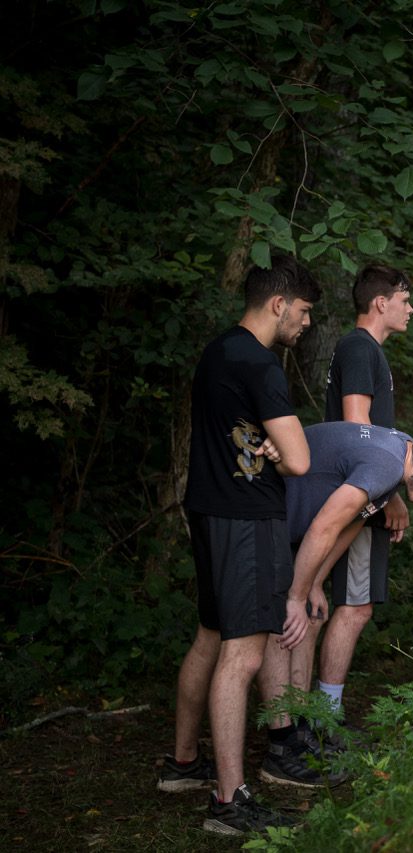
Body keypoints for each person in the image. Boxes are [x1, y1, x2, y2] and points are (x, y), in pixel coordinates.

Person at [161, 255, 319, 836]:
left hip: (207, 509)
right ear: (278, 304)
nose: (304, 325)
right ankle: (229, 800)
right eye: (302, 313)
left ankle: (183, 764)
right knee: (245, 654)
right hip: (247, 518)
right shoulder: (260, 364)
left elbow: (248, 438)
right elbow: (300, 459)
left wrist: (271, 447)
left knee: (211, 636)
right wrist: (283, 450)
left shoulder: (218, 350)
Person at [257, 424, 413, 783]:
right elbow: (324, 526)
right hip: (266, 513)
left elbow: (350, 524)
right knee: (283, 623)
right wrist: (296, 594)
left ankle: (298, 728)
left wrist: (315, 584)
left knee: (306, 618)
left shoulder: (400, 452)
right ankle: (280, 746)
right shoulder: (387, 465)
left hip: (290, 526)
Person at [303, 264, 413, 735]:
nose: (410, 309)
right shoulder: (359, 347)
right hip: (357, 493)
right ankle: (322, 721)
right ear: (380, 302)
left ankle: (313, 715)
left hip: (363, 487)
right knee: (354, 604)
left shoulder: (365, 350)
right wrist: (385, 493)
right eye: (405, 299)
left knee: (348, 602)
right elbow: (358, 426)